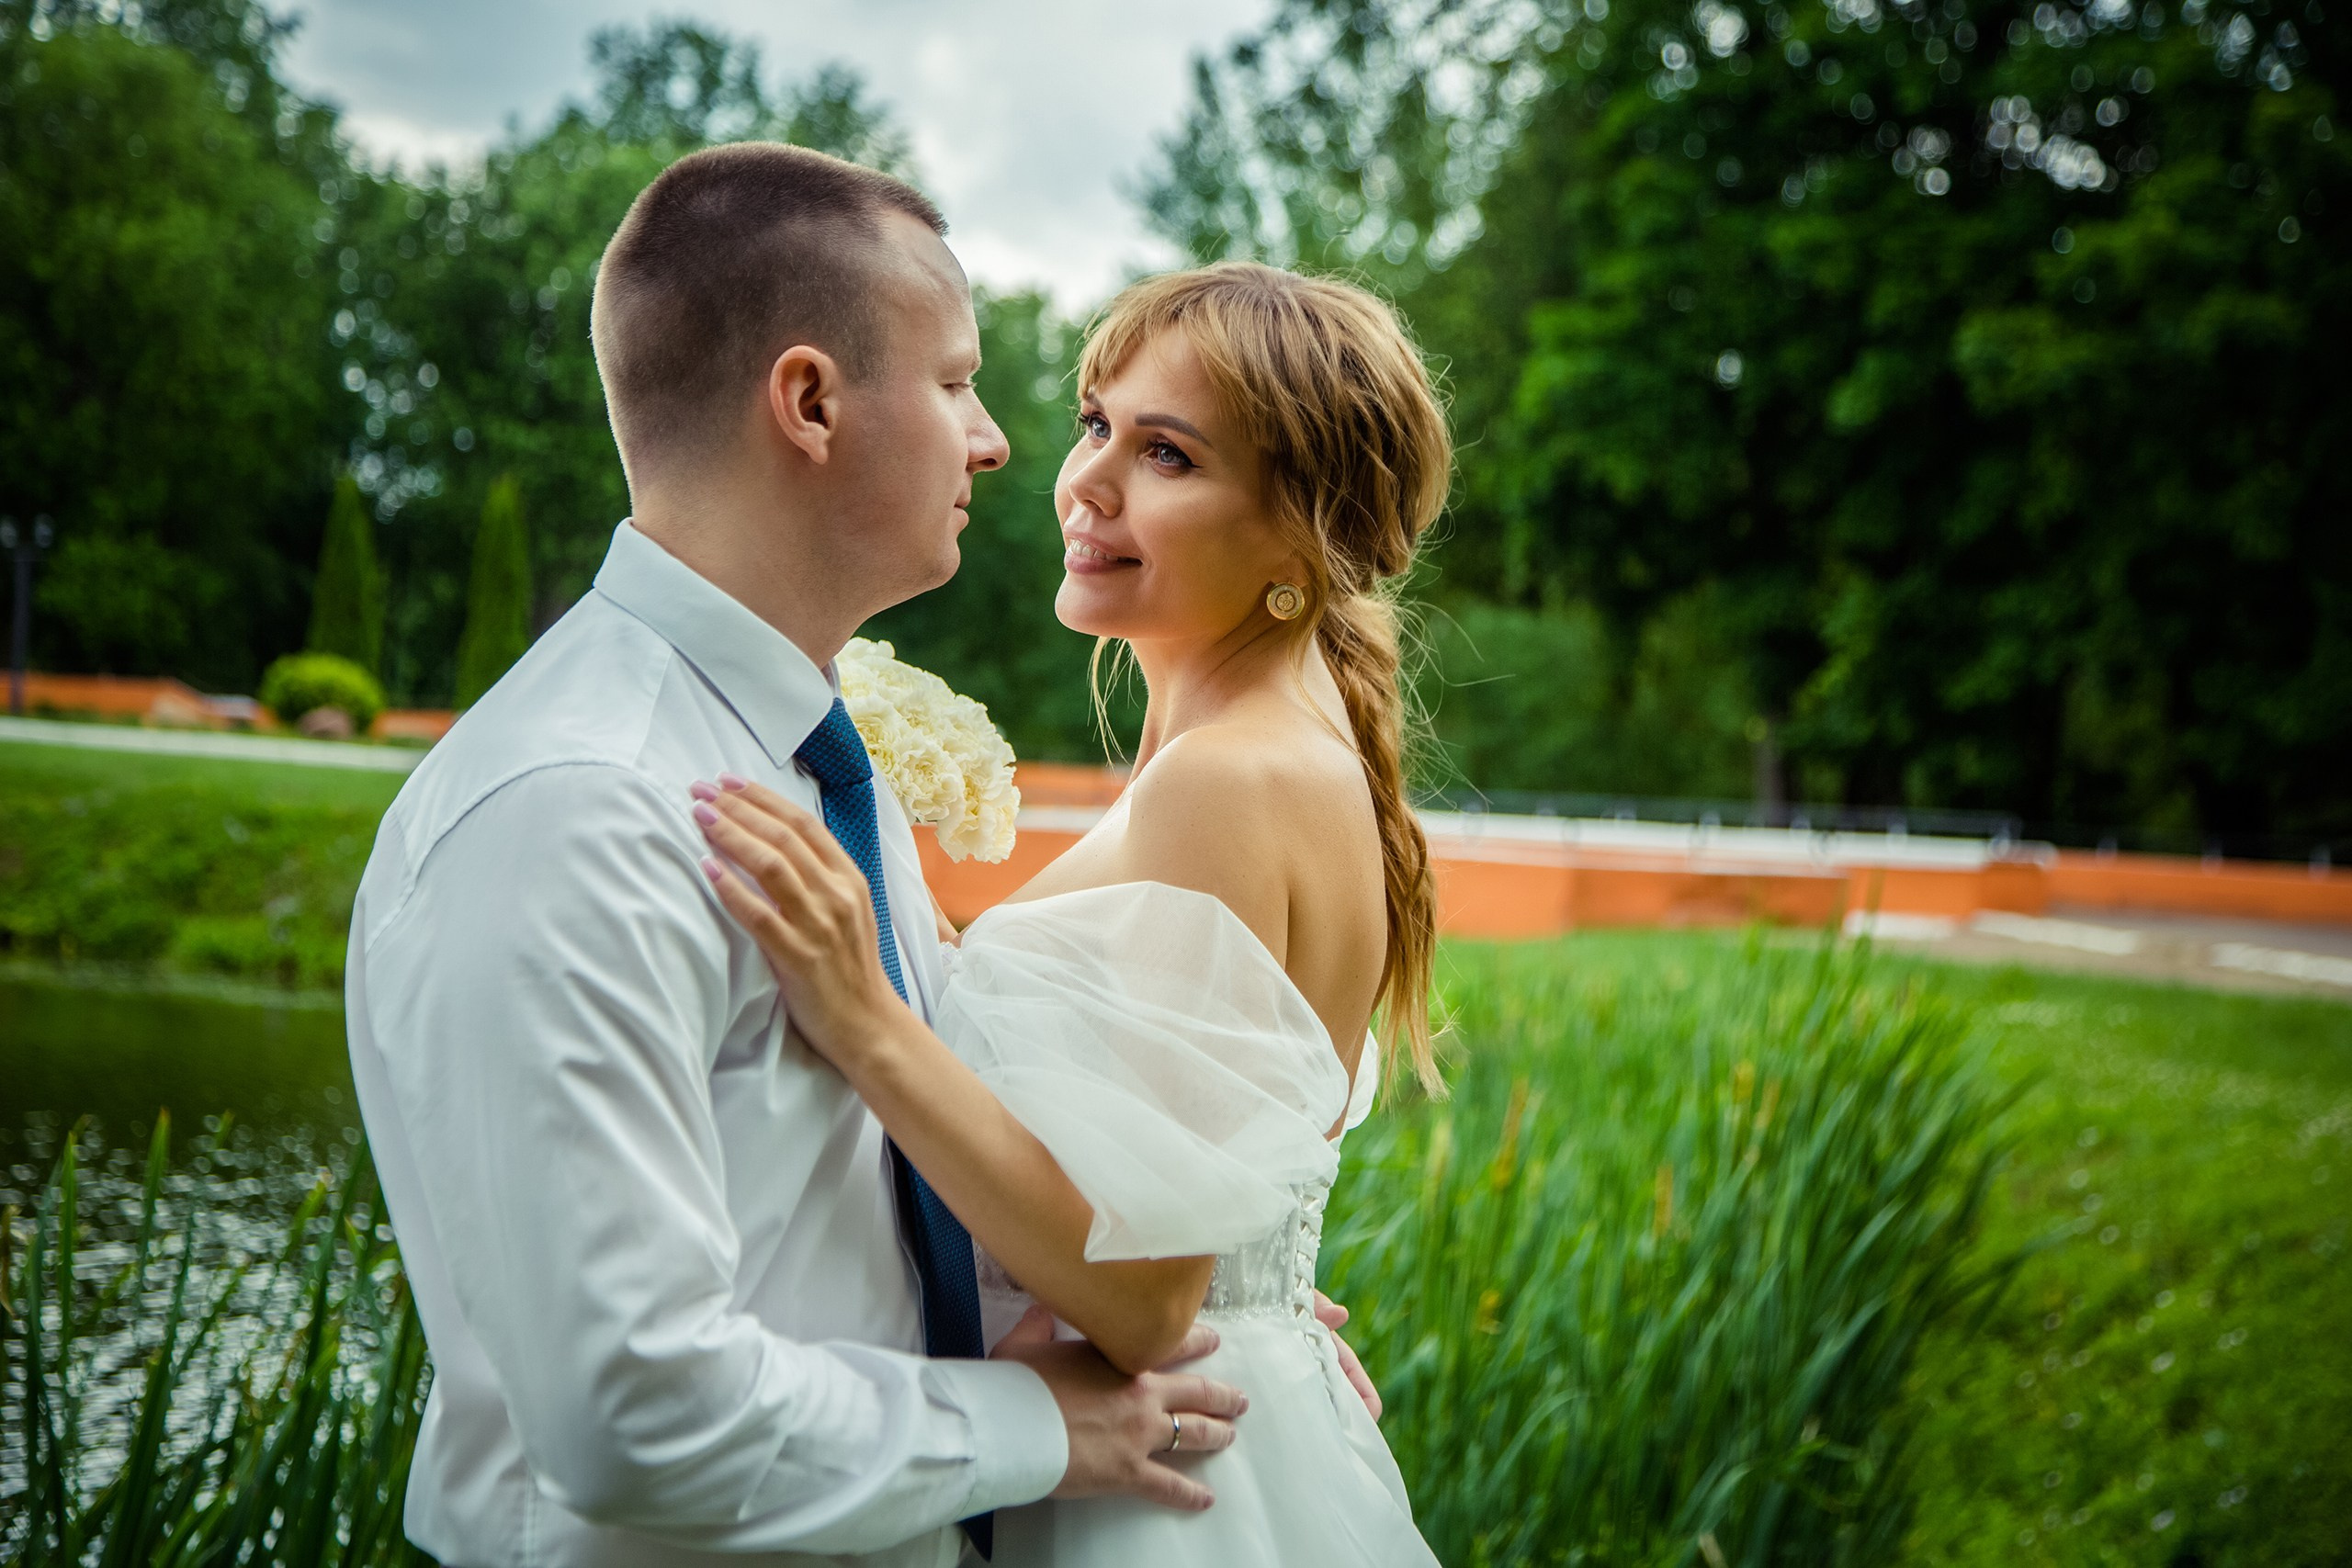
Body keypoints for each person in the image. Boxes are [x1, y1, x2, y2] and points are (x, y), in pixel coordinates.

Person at [344, 144, 1264, 1568]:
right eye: (957, 380)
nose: (998, 440)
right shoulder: (577, 811)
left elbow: (869, 1206)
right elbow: (634, 1412)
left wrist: (1200, 1335)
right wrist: (1038, 1427)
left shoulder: (816, 768)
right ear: (812, 402)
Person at [694, 262, 1448, 1565]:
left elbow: (1150, 1303)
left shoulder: (1226, 778)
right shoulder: (1279, 748)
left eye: (1167, 453)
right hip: (1222, 1430)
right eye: (1098, 423)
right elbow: (1191, 1208)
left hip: (1151, 1481)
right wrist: (1257, 1307)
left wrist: (870, 1016)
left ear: (1298, 532)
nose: (1085, 482)